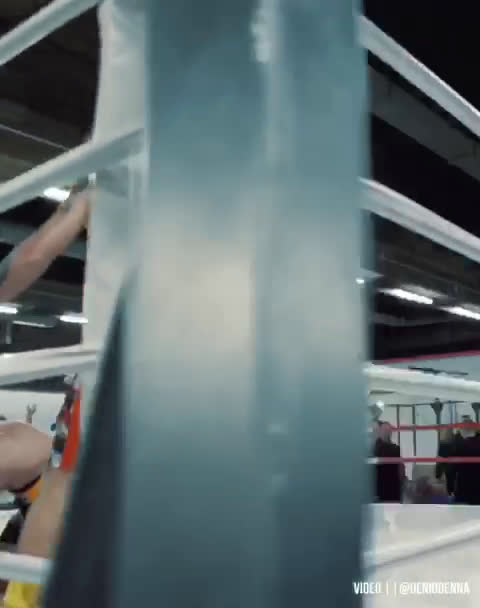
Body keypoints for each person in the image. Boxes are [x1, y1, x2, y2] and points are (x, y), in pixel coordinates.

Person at [372, 421, 404, 503]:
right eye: (385, 430)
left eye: (388, 430)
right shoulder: (378, 447)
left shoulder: (394, 448)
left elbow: (400, 468)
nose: (387, 432)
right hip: (383, 489)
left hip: (391, 489)